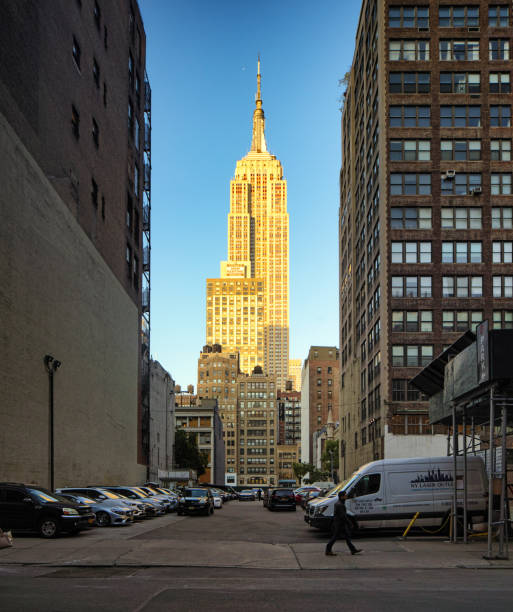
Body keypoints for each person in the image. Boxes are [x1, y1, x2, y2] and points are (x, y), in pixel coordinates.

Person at [325, 491, 362, 556]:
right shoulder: (340, 505)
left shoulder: (339, 503)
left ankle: (353, 550)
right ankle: (328, 550)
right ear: (342, 497)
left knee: (347, 537)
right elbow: (343, 516)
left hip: (339, 523)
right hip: (340, 524)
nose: (346, 496)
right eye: (345, 495)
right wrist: (349, 523)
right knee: (335, 537)